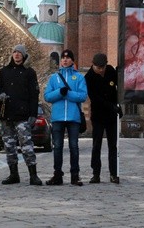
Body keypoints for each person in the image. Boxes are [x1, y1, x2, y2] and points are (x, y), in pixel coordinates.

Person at [0, 44, 43, 186]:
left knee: (27, 146)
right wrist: (0, 93)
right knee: (9, 146)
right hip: (6, 115)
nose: (16, 55)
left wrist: (33, 114)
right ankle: (13, 174)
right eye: (14, 52)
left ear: (23, 55)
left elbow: (34, 94)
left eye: (19, 53)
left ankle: (33, 175)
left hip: (22, 115)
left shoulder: (29, 72)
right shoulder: (4, 71)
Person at [45, 49, 88, 186]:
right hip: (57, 117)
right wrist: (59, 92)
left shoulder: (79, 77)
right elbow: (47, 96)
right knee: (57, 147)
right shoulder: (54, 78)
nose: (65, 60)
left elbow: (82, 96)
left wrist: (67, 93)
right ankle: (57, 175)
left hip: (73, 116)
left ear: (72, 61)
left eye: (68, 58)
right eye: (63, 58)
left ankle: (75, 175)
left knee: (73, 146)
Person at [85, 52, 122, 184]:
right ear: (93, 65)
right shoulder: (88, 77)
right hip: (99, 115)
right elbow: (95, 99)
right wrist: (112, 106)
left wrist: (119, 105)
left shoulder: (110, 70)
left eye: (103, 67)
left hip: (112, 115)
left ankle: (114, 173)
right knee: (97, 145)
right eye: (98, 68)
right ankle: (96, 173)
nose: (101, 70)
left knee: (113, 145)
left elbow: (119, 88)